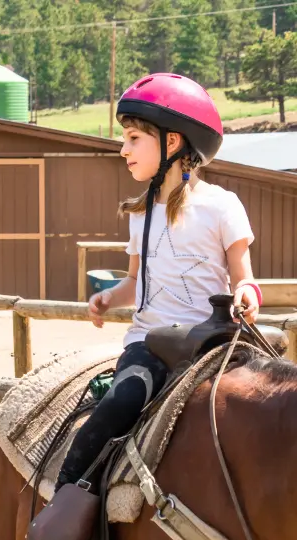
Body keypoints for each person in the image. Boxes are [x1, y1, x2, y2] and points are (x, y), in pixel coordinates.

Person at [51, 73, 262, 496]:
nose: (123, 148)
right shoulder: (139, 213)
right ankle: (65, 501)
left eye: (132, 138)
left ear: (171, 143)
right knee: (119, 405)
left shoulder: (222, 206)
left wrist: (247, 296)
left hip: (211, 344)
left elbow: (245, 277)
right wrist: (111, 297)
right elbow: (135, 281)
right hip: (149, 345)